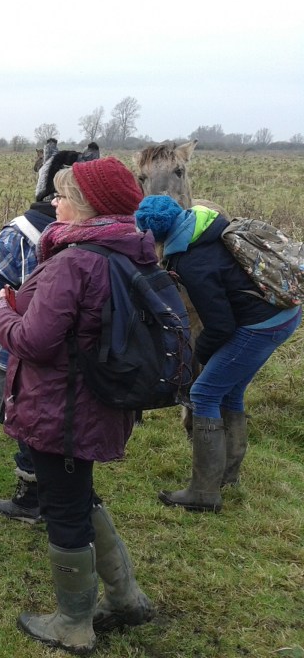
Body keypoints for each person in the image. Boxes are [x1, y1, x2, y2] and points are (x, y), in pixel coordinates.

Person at [0, 157, 155, 654]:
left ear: (87, 207)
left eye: (62, 196)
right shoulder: (131, 249)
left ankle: (73, 623)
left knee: (63, 507)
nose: (53, 203)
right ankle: (127, 598)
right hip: (98, 399)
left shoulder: (75, 261)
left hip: (61, 407)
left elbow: (33, 342)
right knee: (80, 493)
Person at [135, 195, 302, 512]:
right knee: (230, 390)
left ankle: (203, 492)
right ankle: (228, 475)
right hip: (284, 313)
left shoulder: (192, 263)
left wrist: (203, 357)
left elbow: (220, 326)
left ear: (154, 237)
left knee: (204, 393)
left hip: (262, 325)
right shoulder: (208, 226)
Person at [0, 198, 57, 524]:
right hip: (67, 353)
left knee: (23, 415)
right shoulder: (86, 235)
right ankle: (61, 491)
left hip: (20, 345)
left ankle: (29, 498)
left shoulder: (18, 234)